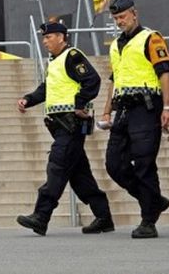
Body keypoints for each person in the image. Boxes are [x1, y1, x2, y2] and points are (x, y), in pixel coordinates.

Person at [16, 21, 113, 236]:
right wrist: (28, 99)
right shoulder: (56, 62)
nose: (44, 41)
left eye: (48, 37)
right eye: (43, 38)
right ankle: (103, 217)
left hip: (72, 124)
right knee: (80, 176)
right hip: (60, 125)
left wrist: (80, 104)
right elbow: (47, 89)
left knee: (57, 166)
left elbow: (92, 80)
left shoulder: (72, 56)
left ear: (61, 37)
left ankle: (41, 216)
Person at [102, 0, 169, 239]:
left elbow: (164, 73)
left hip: (146, 106)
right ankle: (153, 200)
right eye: (116, 18)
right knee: (114, 164)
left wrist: (167, 107)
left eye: (122, 17)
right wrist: (106, 109)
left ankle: (148, 220)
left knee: (144, 164)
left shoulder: (151, 38)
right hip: (122, 109)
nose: (119, 21)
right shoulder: (115, 45)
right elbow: (114, 79)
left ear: (134, 13)